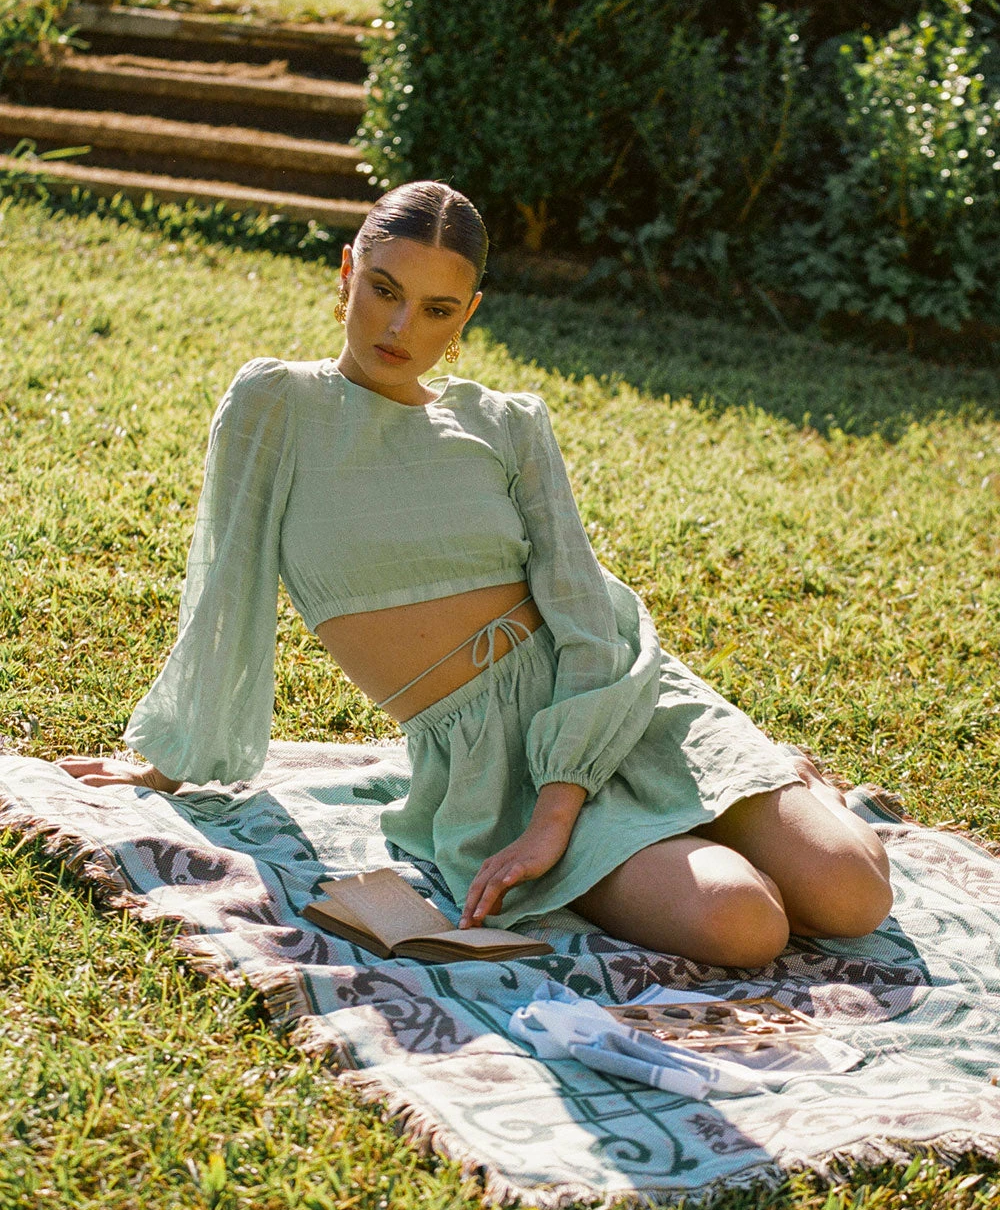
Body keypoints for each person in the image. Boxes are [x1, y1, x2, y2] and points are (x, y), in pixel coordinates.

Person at [58, 181, 892, 968]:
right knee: (745, 922)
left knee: (855, 896)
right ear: (346, 272)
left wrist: (559, 815)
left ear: (468, 315)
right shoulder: (276, 404)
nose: (400, 327)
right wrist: (171, 759)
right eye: (384, 289)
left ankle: (770, 772)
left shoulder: (506, 422)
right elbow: (225, 587)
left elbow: (584, 614)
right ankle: (715, 825)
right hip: (493, 770)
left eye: (437, 309)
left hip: (613, 696)